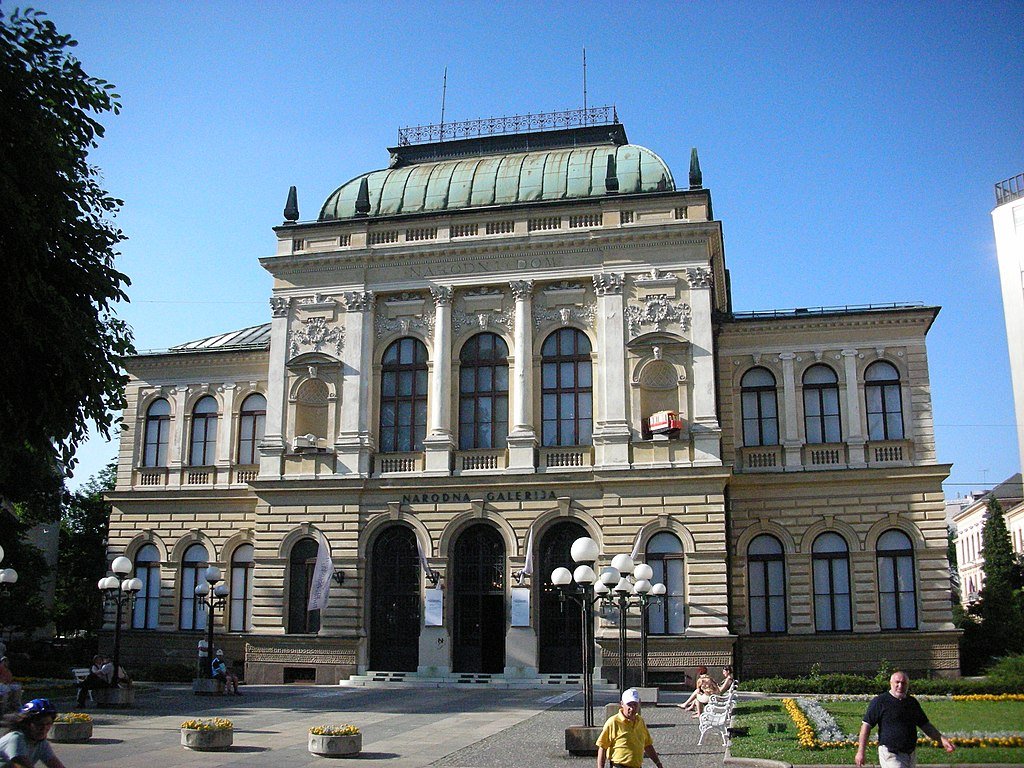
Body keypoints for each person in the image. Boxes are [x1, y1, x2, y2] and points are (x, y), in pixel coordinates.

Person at [855, 670, 955, 768]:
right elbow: (866, 726)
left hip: (910, 754)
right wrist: (860, 752)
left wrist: (942, 740)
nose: (900, 686)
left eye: (904, 683)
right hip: (890, 753)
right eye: (897, 682)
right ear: (890, 683)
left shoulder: (912, 703)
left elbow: (925, 725)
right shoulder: (880, 701)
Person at [596, 687, 666, 768]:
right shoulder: (613, 722)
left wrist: (658, 763)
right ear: (622, 704)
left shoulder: (640, 721)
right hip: (619, 765)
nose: (632, 708)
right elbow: (602, 747)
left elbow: (648, 745)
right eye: (629, 704)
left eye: (635, 704)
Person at [0, 698, 68, 767]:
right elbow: (23, 765)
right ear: (27, 724)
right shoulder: (16, 738)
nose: (44, 728)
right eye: (39, 724)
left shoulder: (40, 743)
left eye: (48, 723)